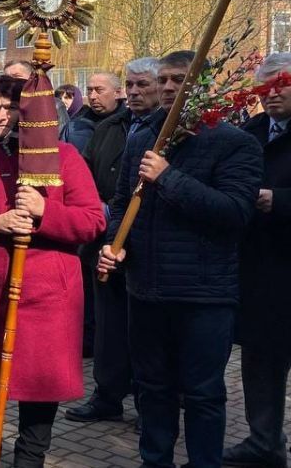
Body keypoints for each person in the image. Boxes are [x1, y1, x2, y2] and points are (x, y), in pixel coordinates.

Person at [97, 50, 263, 468]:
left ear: (204, 85)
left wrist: (168, 177)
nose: (170, 87)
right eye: (165, 80)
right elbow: (122, 204)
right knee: (152, 388)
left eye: (181, 79)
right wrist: (114, 243)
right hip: (146, 289)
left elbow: (234, 213)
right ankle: (155, 461)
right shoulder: (142, 139)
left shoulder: (235, 143)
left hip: (203, 295)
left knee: (203, 393)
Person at [0, 76, 105, 468]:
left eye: (11, 108)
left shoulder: (63, 157)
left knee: (38, 383)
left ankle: (29, 456)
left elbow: (92, 221)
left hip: (45, 296)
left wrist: (46, 212)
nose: (1, 115)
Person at [66, 58, 160, 424]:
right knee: (108, 326)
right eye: (132, 85)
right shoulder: (109, 127)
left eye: (142, 86)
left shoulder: (170, 129)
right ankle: (107, 395)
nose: (136, 92)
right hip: (103, 242)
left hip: (144, 248)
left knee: (145, 331)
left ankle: (147, 402)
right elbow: (84, 174)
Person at [224, 53, 291, 467]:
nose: (272, 94)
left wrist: (278, 201)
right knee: (261, 360)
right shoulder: (250, 132)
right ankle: (264, 442)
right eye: (264, 88)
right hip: (262, 273)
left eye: (281, 84)